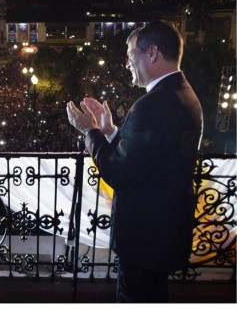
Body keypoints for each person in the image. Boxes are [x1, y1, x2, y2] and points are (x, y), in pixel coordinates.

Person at [66, 20, 203, 303]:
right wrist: (110, 131)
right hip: (164, 230)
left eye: (130, 56)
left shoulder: (152, 105)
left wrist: (89, 131)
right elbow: (147, 156)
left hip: (145, 237)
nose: (127, 64)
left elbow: (118, 172)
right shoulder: (184, 94)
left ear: (151, 53)